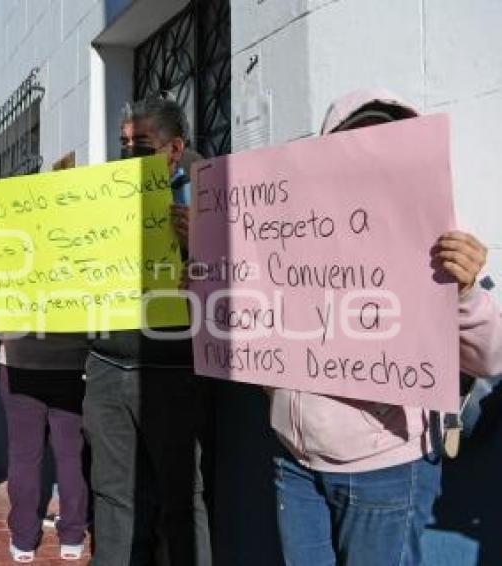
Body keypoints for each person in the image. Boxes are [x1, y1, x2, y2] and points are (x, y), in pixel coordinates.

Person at [269, 89, 502, 565]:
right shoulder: (287, 233)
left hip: (386, 469)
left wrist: (464, 294)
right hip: (292, 459)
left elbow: (491, 358)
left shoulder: (438, 239)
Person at [83, 97, 211, 566]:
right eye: (123, 145)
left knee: (180, 499)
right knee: (114, 496)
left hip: (172, 372)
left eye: (141, 145)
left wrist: (200, 250)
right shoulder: (104, 195)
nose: (128, 155)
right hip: (106, 368)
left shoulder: (211, 196)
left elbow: (247, 280)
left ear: (174, 148)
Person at [0, 235, 91, 562]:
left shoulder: (15, 260)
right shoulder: (81, 254)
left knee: (24, 456)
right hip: (72, 366)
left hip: (19, 365)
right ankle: (73, 538)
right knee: (71, 455)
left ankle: (23, 539)